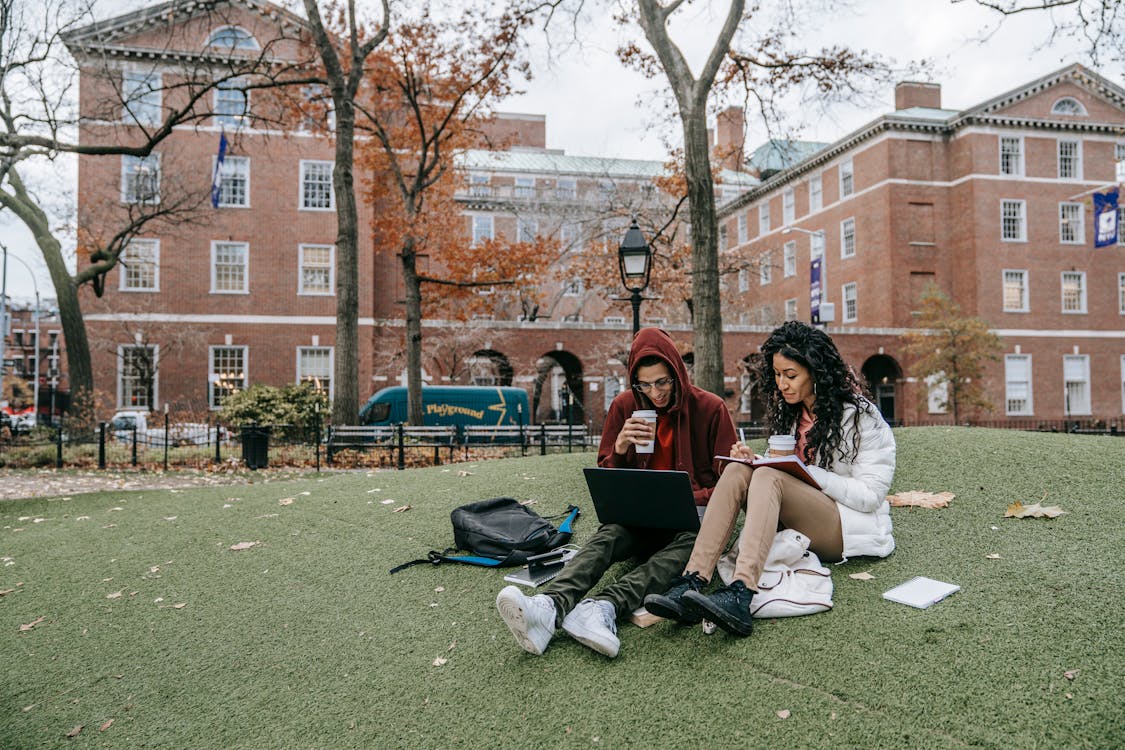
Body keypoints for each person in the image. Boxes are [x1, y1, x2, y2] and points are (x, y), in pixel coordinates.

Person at [495, 327, 737, 658]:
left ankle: (603, 607)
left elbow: (730, 483)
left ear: (678, 374)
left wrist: (690, 497)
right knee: (608, 534)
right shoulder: (624, 406)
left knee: (688, 546)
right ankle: (548, 606)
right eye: (645, 384)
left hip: (690, 521)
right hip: (640, 519)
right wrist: (621, 447)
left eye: (663, 382)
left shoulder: (710, 408)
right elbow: (607, 479)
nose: (656, 392)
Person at [645, 320, 896, 636]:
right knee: (739, 469)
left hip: (844, 526)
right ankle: (692, 579)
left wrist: (803, 472)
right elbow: (786, 473)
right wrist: (755, 460)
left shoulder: (861, 416)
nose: (782, 384)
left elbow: (871, 495)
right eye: (777, 375)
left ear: (817, 372)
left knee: (768, 478)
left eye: (791, 376)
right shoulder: (792, 414)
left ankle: (741, 591)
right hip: (797, 515)